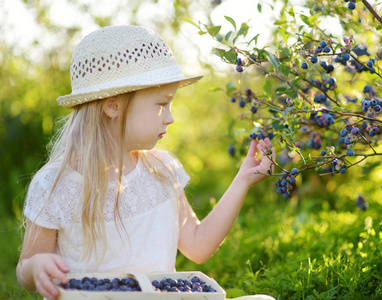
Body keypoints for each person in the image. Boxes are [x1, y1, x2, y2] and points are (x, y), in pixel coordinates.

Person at [16, 25, 275, 300]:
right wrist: (36, 268)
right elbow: (25, 267)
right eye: (162, 104)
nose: (170, 118)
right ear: (113, 106)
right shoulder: (57, 183)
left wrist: (243, 179)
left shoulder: (163, 170)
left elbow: (199, 246)